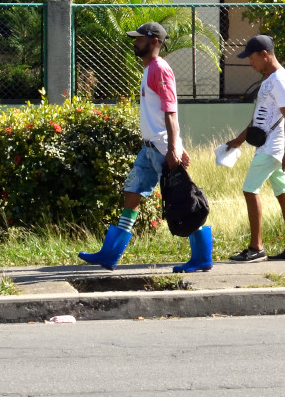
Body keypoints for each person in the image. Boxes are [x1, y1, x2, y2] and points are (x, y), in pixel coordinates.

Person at [79, 22, 212, 272]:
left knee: (183, 200)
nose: (135, 42)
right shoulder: (149, 69)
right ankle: (110, 255)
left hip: (162, 150)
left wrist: (174, 149)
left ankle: (202, 257)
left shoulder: (160, 70)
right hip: (148, 149)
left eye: (140, 39)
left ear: (154, 42)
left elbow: (170, 112)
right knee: (132, 194)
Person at [224, 34, 285, 262]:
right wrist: (238, 140)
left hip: (273, 148)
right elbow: (258, 119)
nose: (250, 62)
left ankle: (256, 247)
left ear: (264, 55)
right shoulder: (270, 78)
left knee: (250, 190)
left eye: (251, 58)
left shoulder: (280, 80)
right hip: (270, 147)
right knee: (282, 193)